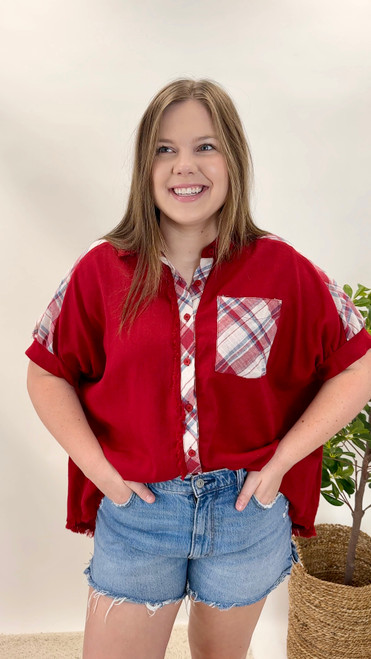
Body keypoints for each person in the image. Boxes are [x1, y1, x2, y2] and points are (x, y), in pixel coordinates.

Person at [26, 78, 371, 659]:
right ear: (145, 166)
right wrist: (102, 473)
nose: (185, 165)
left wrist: (282, 461)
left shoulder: (284, 268)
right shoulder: (101, 270)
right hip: (138, 512)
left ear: (233, 158)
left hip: (246, 516)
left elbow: (356, 363)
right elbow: (47, 372)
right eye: (165, 149)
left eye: (205, 146)